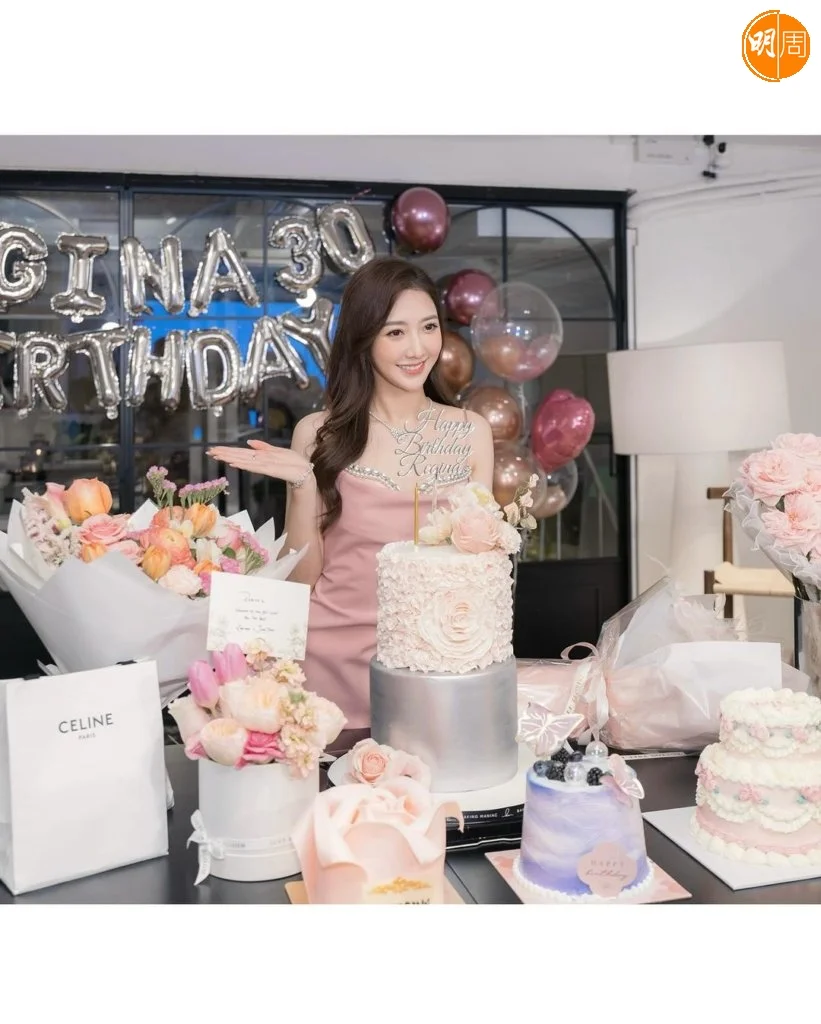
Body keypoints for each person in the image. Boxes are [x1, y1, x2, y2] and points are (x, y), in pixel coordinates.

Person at [208, 256, 494, 728]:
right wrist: (303, 484)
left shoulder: (471, 433)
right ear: (364, 339)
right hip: (330, 663)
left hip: (433, 665)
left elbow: (481, 570)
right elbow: (301, 582)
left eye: (428, 327)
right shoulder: (318, 434)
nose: (417, 348)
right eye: (395, 332)